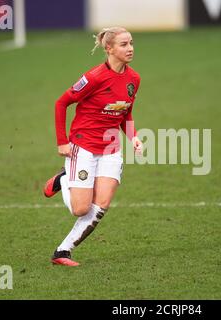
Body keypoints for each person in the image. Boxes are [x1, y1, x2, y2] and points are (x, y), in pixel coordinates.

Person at [43, 27, 143, 266]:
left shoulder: (134, 79)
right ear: (109, 48)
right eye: (123, 44)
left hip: (110, 148)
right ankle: (63, 180)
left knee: (102, 205)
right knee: (80, 209)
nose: (130, 48)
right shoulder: (94, 77)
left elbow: (124, 113)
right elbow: (61, 103)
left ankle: (62, 252)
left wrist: (134, 137)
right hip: (83, 146)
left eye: (131, 43)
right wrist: (62, 142)